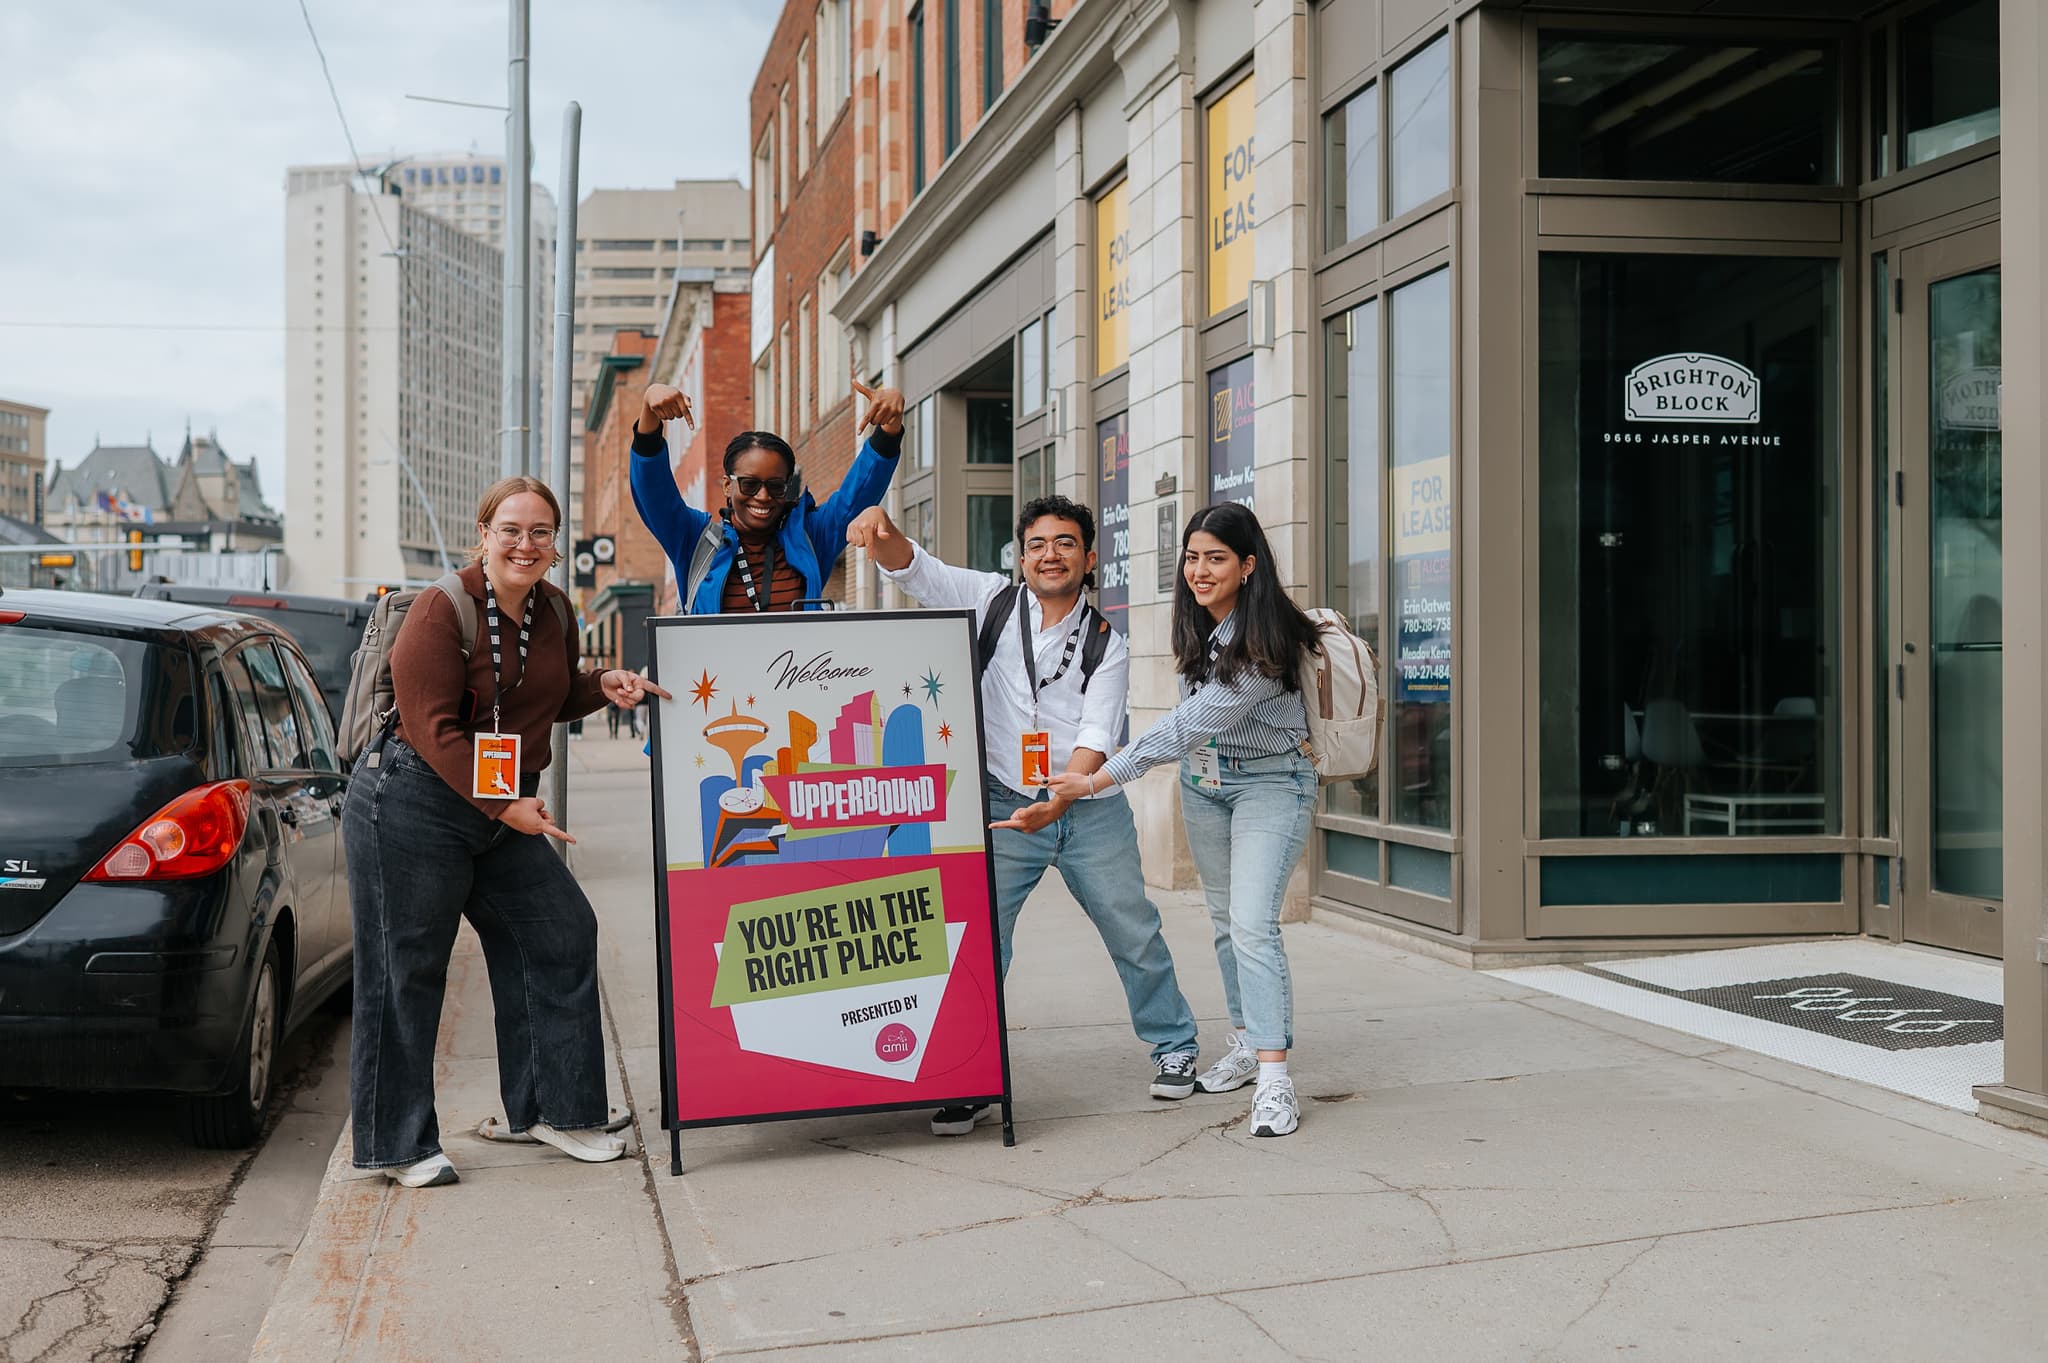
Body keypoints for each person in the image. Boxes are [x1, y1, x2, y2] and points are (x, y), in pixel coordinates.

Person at [343, 476, 674, 1187]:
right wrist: (505, 807)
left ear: (556, 543)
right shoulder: (441, 608)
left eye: (541, 532)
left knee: (559, 931)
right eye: (512, 530)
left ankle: (552, 1108)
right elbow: (431, 727)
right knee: (406, 970)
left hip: (495, 803)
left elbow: (544, 693)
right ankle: (396, 1145)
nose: (526, 544)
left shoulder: (554, 608)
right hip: (411, 799)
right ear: (484, 535)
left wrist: (600, 684)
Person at [847, 496, 1203, 1137]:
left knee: (1134, 932)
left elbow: (1097, 733)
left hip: (1088, 809)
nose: (1050, 555)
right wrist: (882, 525)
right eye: (1038, 543)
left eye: (1065, 543)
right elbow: (916, 569)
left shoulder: (1108, 643)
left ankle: (1174, 1045)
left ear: (1089, 559)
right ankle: (971, 1073)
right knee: (982, 942)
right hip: (1004, 804)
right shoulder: (991, 602)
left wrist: (1062, 798)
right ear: (1021, 556)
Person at [1047, 503, 1322, 1139]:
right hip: (1206, 787)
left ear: (1248, 565)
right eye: (1192, 558)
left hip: (1271, 785)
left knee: (1253, 926)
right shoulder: (1204, 626)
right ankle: (1248, 1043)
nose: (1199, 570)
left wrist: (1097, 778)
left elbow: (1183, 727)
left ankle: (1275, 1079)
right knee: (1226, 925)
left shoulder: (1266, 642)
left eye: (1216, 558)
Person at [631, 375, 905, 613]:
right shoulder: (695, 541)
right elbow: (655, 494)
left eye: (776, 486)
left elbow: (858, 494)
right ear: (727, 485)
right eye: (749, 484)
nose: (763, 496)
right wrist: (649, 413)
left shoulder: (811, 535)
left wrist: (889, 430)